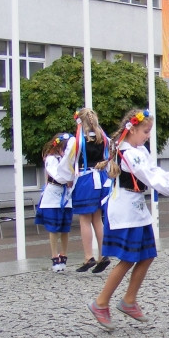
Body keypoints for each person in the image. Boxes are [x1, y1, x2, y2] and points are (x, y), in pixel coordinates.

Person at [87, 110, 169, 330]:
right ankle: (100, 303)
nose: (148, 136)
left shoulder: (139, 150)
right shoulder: (128, 152)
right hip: (125, 209)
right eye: (146, 131)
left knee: (147, 255)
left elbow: (154, 170)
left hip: (136, 209)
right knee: (128, 258)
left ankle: (129, 300)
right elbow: (148, 176)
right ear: (133, 129)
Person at [71, 108, 112, 274]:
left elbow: (69, 162)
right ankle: (103, 254)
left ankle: (88, 256)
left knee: (84, 219)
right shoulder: (103, 139)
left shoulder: (79, 142)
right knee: (97, 219)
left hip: (86, 178)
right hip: (101, 178)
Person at [34, 133, 75, 272]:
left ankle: (64, 253)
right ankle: (54, 254)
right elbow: (57, 176)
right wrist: (69, 177)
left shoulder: (67, 160)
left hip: (65, 195)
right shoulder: (51, 159)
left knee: (65, 227)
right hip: (53, 194)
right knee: (53, 227)